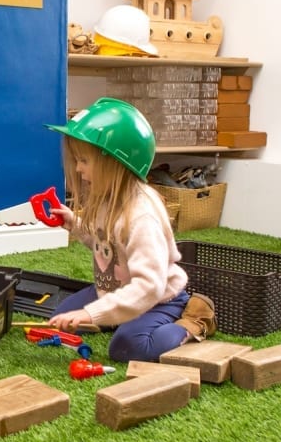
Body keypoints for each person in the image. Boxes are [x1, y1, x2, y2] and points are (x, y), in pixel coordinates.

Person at [44, 97, 217, 363]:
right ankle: (118, 314)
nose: (78, 169)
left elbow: (149, 286)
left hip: (157, 299)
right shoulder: (107, 197)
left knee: (127, 347)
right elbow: (107, 245)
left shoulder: (141, 216)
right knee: (61, 318)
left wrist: (92, 313)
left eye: (84, 161)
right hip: (116, 290)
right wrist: (75, 225)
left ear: (114, 162)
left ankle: (192, 322)